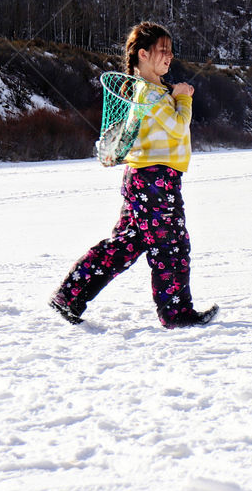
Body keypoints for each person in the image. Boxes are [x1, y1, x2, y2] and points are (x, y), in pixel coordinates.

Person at [49, 22, 217, 329]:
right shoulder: (149, 93)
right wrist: (184, 97)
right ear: (143, 53)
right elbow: (180, 127)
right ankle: (176, 314)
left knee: (126, 244)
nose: (169, 56)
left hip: (148, 179)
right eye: (162, 50)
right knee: (170, 245)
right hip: (153, 181)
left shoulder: (149, 91)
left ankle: (69, 296)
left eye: (170, 50)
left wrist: (174, 94)